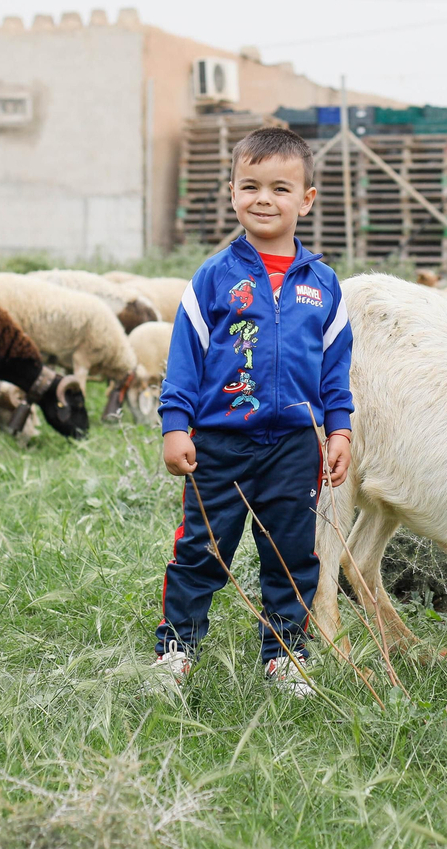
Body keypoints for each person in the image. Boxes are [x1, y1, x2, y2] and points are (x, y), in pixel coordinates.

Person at [155, 126, 353, 695]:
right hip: (219, 443)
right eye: (251, 186)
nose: (264, 199)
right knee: (201, 547)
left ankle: (285, 654)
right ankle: (177, 646)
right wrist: (176, 426)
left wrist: (338, 430)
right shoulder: (214, 278)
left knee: (292, 553)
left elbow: (335, 370)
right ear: (232, 193)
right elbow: (184, 359)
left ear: (306, 200)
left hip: (296, 444)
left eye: (280, 188)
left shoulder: (323, 285)